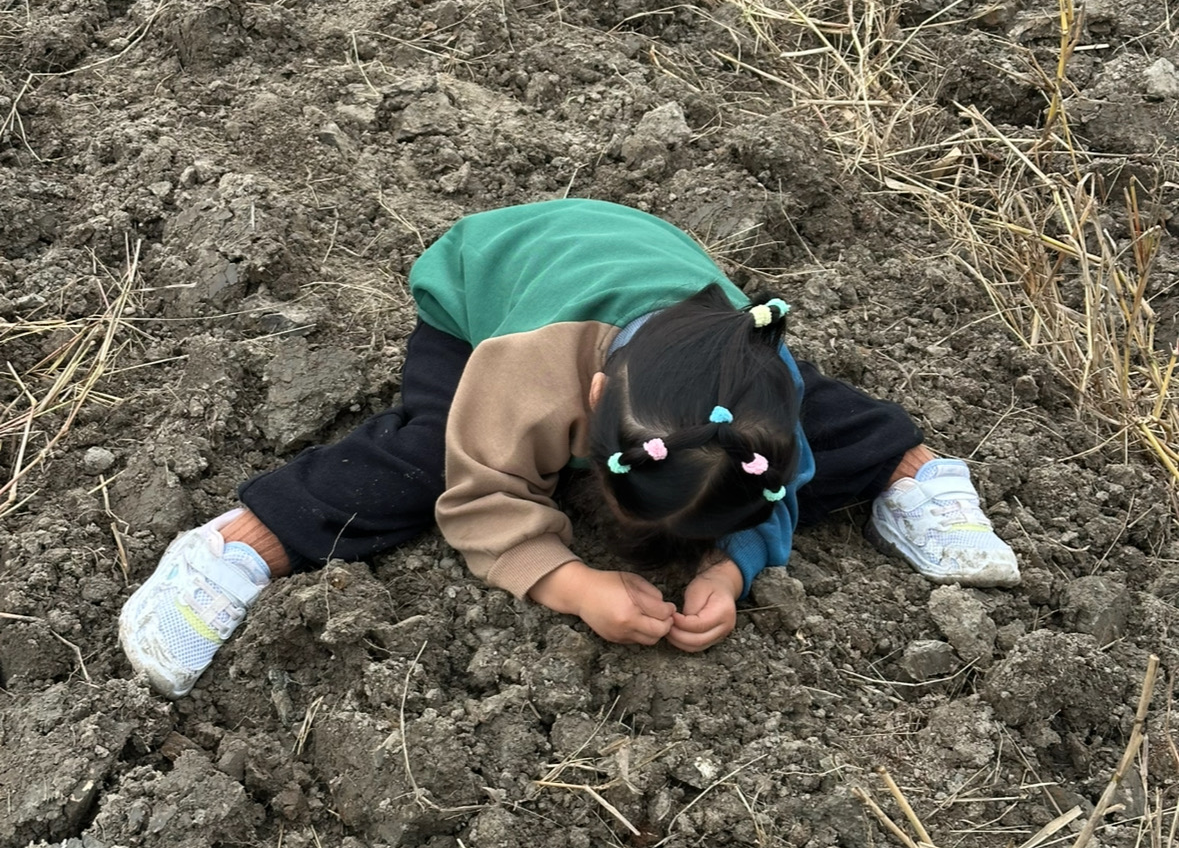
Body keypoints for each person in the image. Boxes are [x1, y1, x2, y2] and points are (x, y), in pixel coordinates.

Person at [119, 199, 1018, 697]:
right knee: (426, 454)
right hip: (484, 291)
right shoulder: (528, 373)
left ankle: (913, 472)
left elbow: (778, 480)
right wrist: (571, 582)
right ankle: (238, 543)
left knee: (819, 424)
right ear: (590, 409)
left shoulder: (760, 369)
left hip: (682, 326)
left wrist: (733, 565)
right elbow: (482, 496)